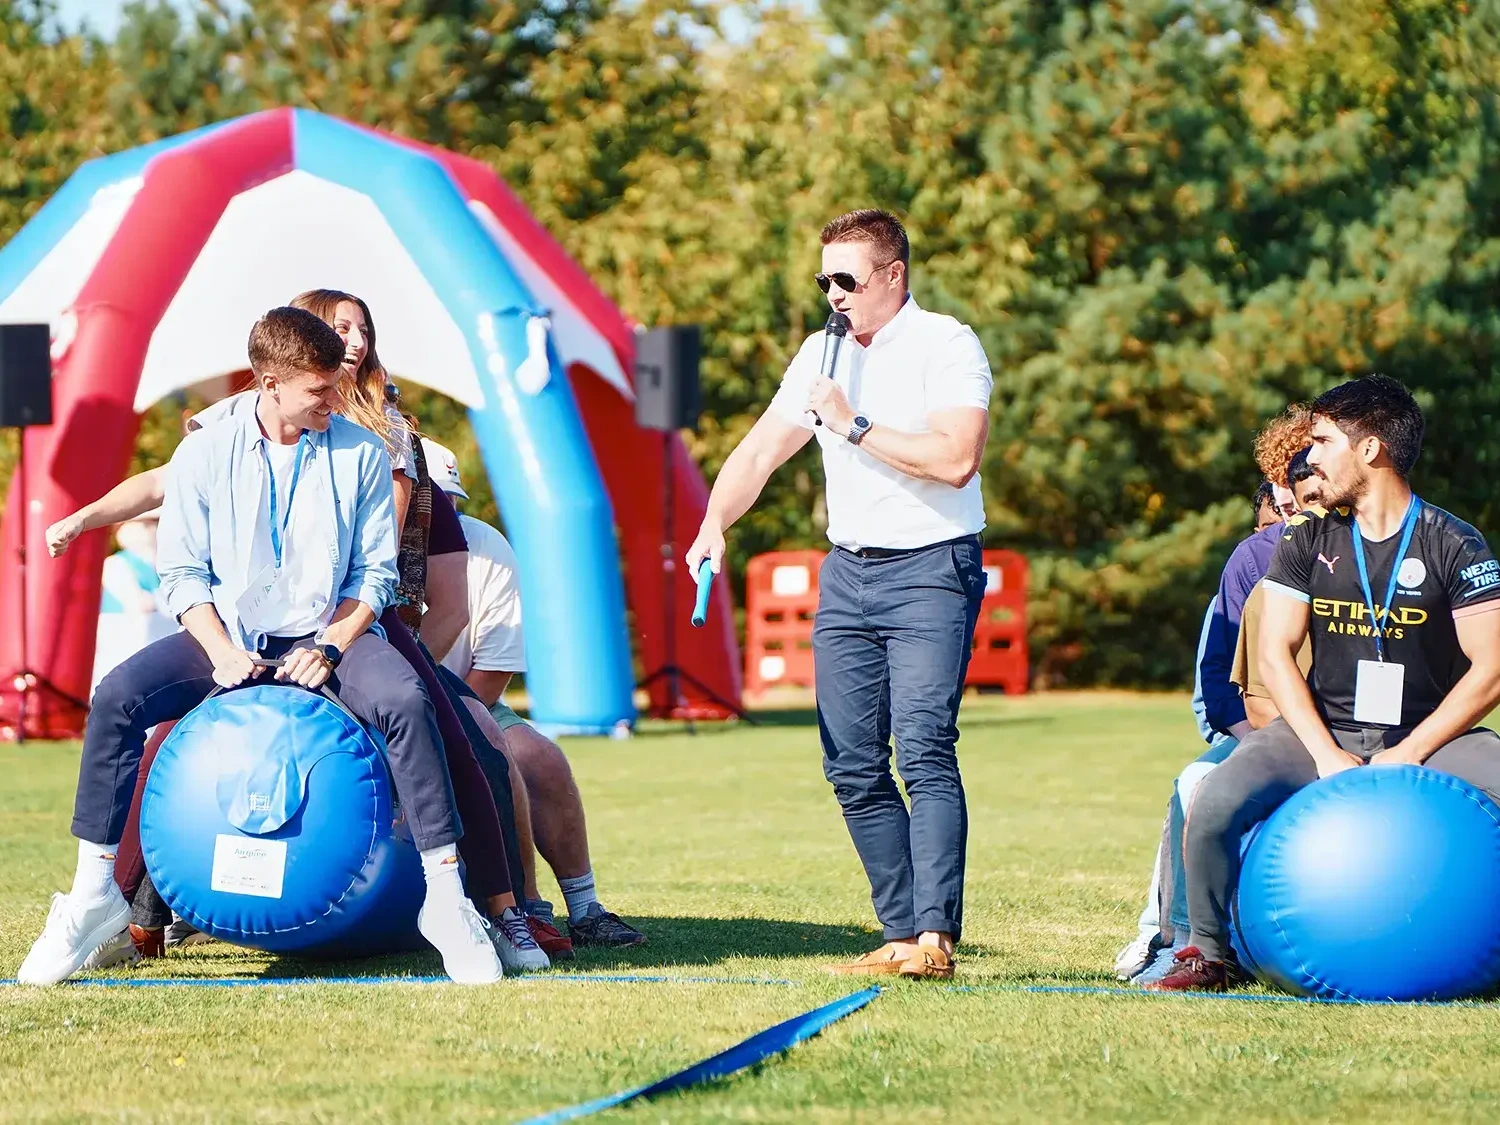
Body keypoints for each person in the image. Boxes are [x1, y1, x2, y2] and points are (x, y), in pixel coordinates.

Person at [46, 291, 547, 973]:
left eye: (338, 383)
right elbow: (183, 573)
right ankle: (93, 895)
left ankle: (447, 896)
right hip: (230, 635)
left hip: (329, 632)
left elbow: (374, 575)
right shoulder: (205, 452)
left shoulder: (365, 452)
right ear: (271, 382)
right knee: (116, 697)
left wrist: (332, 644)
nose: (332, 399)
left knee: (405, 700)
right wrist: (222, 653)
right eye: (319, 388)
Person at [686, 208, 991, 980]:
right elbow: (760, 449)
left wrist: (853, 426)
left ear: (893, 274)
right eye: (824, 279)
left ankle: (935, 935)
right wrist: (714, 521)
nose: (834, 294)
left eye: (847, 279)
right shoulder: (819, 352)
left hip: (931, 567)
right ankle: (899, 931)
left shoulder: (946, 344)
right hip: (849, 573)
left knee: (922, 746)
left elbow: (956, 459)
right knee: (852, 761)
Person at [1152, 374, 1500, 992]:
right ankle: (1207, 955)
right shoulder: (1307, 538)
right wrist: (1325, 753)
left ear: (1370, 449)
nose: (1308, 458)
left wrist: (1411, 752)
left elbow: (1491, 667)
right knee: (1213, 805)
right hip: (1322, 729)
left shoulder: (1456, 543)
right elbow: (1276, 653)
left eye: (1322, 440)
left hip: (1434, 737)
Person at [422, 438, 647, 952]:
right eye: (434, 502)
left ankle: (576, 909)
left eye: (451, 501)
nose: (447, 513)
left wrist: (453, 730)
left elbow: (493, 671)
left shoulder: (487, 549)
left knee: (535, 758)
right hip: (375, 703)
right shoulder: (367, 543)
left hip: (467, 697)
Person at [1115, 419, 1319, 982]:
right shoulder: (1252, 559)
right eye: (1281, 484)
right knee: (1195, 784)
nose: (1288, 496)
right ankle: (1176, 938)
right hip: (1265, 732)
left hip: (1349, 735)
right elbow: (1220, 691)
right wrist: (1265, 745)